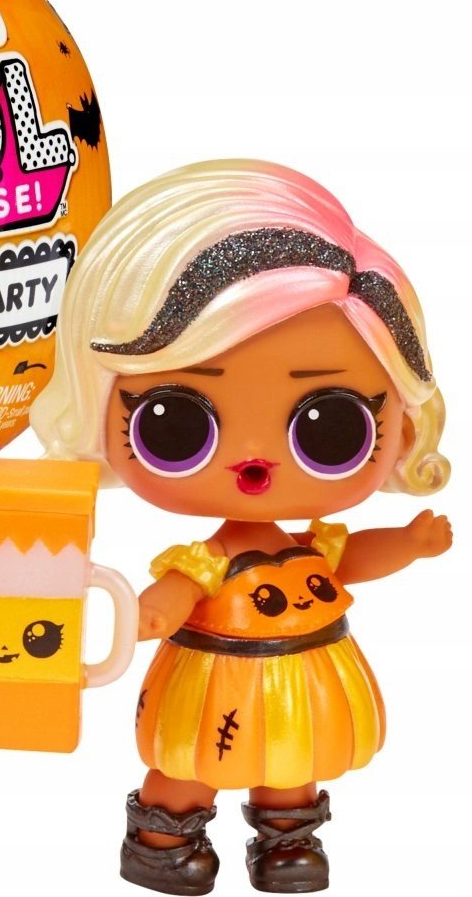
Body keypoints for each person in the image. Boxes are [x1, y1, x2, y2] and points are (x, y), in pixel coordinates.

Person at [30, 159, 452, 894]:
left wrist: (410, 545)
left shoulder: (313, 545)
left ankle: (288, 839)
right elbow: (170, 599)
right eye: (174, 421)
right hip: (211, 680)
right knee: (188, 762)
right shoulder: (205, 560)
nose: (254, 461)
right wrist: (145, 615)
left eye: (329, 427)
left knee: (292, 762)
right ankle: (162, 839)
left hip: (300, 679)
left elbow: (352, 559)